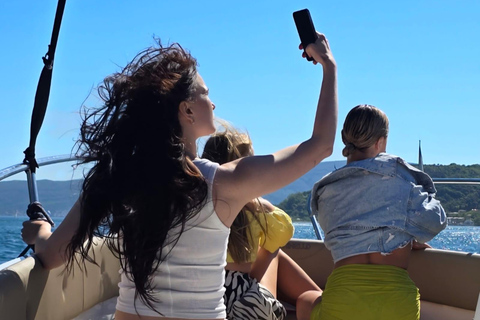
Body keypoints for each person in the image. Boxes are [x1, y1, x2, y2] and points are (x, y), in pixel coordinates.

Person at [21, 32, 337, 320]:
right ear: (187, 111)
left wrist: (40, 232)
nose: (213, 102)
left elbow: (51, 256)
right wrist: (328, 65)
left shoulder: (117, 179)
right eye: (205, 94)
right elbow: (320, 146)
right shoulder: (224, 183)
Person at [309, 104, 447, 320]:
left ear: (345, 138)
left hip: (342, 300)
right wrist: (406, 238)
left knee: (305, 300)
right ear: (380, 141)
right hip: (397, 304)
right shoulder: (400, 179)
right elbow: (435, 221)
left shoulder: (324, 191)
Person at [202, 127, 323, 320]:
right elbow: (285, 229)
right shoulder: (252, 211)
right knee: (272, 249)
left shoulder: (197, 207)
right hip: (247, 308)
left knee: (269, 247)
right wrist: (254, 199)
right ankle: (320, 301)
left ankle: (317, 299)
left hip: (209, 293)